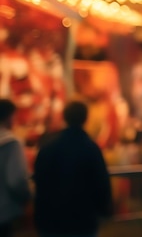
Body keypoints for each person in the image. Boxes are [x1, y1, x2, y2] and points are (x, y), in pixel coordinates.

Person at [33, 100, 113, 237]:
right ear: (86, 118)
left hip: (51, 220)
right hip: (82, 220)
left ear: (64, 117)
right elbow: (101, 183)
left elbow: (39, 178)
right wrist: (104, 210)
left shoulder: (48, 145)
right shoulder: (91, 148)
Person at [0, 99, 31, 237]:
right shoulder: (12, 143)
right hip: (4, 211)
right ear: (9, 116)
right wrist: (27, 197)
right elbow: (16, 180)